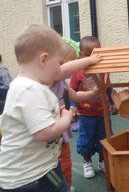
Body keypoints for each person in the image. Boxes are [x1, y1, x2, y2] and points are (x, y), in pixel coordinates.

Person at [0, 24, 74, 191]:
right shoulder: (28, 89)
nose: (60, 69)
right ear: (43, 59)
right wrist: (66, 119)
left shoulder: (33, 87)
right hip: (29, 180)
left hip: (42, 171)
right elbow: (44, 132)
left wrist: (57, 115)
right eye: (59, 63)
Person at [51, 41, 102, 191]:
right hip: (51, 132)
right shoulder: (49, 80)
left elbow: (75, 95)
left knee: (65, 162)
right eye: (72, 63)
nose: (74, 68)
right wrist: (89, 60)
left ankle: (66, 185)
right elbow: (62, 70)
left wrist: (91, 94)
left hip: (62, 134)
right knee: (51, 165)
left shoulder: (62, 83)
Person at [70, 36, 114, 179]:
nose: (90, 58)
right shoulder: (77, 72)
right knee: (85, 139)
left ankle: (103, 162)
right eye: (86, 54)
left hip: (103, 114)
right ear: (80, 55)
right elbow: (72, 92)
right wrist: (73, 107)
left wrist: (113, 103)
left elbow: (109, 89)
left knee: (105, 138)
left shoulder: (103, 71)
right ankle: (87, 162)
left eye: (94, 54)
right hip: (86, 114)